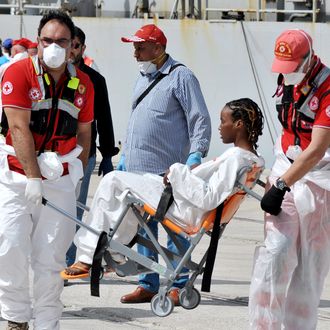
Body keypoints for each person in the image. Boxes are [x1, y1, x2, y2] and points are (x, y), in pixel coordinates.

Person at [63, 97, 264, 287]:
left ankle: (87, 256)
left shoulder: (237, 159)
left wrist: (177, 172)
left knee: (112, 180)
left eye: (223, 121)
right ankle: (114, 249)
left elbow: (209, 197)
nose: (220, 127)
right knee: (127, 192)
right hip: (185, 203)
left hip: (184, 209)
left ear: (239, 124)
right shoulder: (251, 159)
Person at [0, 10, 94, 330]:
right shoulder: (18, 73)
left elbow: (84, 132)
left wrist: (77, 171)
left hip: (60, 178)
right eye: (47, 40)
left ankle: (47, 323)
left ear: (73, 47)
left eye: (61, 41)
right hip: (16, 175)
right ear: (38, 42)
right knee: (9, 247)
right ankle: (15, 318)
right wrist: (32, 178)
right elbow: (18, 126)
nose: (54, 46)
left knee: (51, 258)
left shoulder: (83, 84)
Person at [118, 23, 211, 305]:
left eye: (140, 46)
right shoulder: (142, 78)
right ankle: (148, 282)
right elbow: (138, 118)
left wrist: (196, 155)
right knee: (143, 229)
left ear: (158, 48)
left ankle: (179, 282)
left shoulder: (181, 76)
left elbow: (200, 119)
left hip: (167, 171)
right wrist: (124, 158)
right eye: (134, 46)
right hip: (137, 168)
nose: (135, 52)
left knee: (174, 228)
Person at [249, 29, 330, 330]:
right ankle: (262, 326)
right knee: (276, 253)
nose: (288, 74)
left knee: (310, 268)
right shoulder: (287, 79)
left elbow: (317, 148)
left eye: (293, 67)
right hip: (286, 168)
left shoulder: (329, 89)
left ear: (308, 60)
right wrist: (280, 179)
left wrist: (282, 184)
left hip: (320, 181)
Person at [65, 26, 119, 267]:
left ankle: (68, 260)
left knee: (74, 208)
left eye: (75, 46)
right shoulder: (52, 75)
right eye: (68, 45)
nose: (71, 51)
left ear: (82, 49)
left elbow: (104, 118)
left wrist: (107, 155)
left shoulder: (95, 81)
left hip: (83, 154)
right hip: (52, 152)